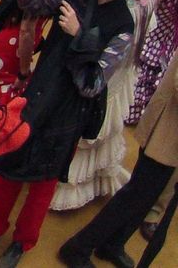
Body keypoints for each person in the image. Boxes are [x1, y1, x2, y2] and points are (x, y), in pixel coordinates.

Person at [0, 0, 145, 268]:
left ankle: (21, 243)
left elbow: (93, 84)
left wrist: (79, 38)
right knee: (9, 167)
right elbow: (31, 2)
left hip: (67, 117)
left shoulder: (123, 26)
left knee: (42, 186)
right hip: (36, 98)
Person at [57, 37, 178, 268]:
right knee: (136, 195)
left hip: (171, 140)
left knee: (147, 198)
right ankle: (78, 247)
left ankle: (113, 244)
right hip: (166, 133)